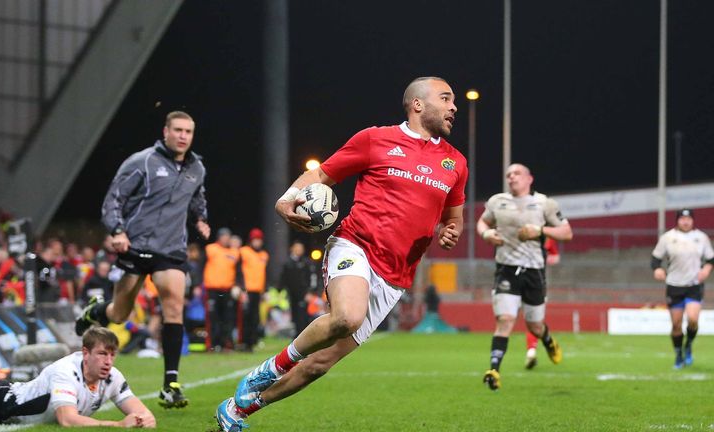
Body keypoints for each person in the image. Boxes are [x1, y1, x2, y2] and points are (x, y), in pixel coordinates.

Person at [216, 76, 468, 431]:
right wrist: (285, 199)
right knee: (348, 316)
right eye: (446, 98)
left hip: (396, 276)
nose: (454, 106)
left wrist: (450, 232)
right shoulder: (375, 140)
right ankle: (270, 368)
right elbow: (320, 173)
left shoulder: (455, 163)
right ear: (417, 104)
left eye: (454, 101)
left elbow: (453, 219)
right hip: (355, 245)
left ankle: (239, 410)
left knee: (319, 365)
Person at [75, 110, 211, 409]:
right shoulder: (142, 161)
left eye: (188, 131)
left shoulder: (196, 168)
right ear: (165, 131)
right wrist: (118, 230)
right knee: (120, 314)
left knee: (174, 306)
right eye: (177, 130)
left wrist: (201, 218)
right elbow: (113, 200)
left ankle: (170, 384)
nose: (182, 136)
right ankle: (96, 311)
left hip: (172, 249)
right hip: (135, 246)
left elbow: (197, 198)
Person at [476, 163, 573, 391]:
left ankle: (548, 340)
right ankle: (494, 370)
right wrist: (486, 233)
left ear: (530, 178)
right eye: (508, 174)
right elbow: (483, 221)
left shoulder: (545, 204)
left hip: (534, 271)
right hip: (506, 269)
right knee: (505, 320)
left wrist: (541, 231)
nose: (511, 177)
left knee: (534, 325)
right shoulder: (497, 201)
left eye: (517, 173)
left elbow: (567, 233)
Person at [0, 327, 155, 428]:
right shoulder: (66, 371)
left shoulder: (113, 377)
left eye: (112, 354)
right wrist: (118, 425)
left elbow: (146, 416)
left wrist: (142, 420)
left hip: (14, 416)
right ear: (85, 353)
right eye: (102, 354)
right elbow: (68, 420)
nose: (108, 361)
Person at [651, 208, 714, 369]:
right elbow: (655, 258)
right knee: (676, 325)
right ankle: (679, 353)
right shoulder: (668, 237)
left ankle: (689, 345)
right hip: (674, 285)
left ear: (693, 220)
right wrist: (657, 269)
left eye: (688, 219)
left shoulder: (701, 237)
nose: (685, 222)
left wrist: (706, 269)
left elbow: (710, 259)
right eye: (682, 219)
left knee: (693, 320)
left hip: (694, 285)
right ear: (677, 220)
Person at [524, 237, 560, 369]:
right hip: (528, 281)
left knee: (533, 320)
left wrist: (543, 257)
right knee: (533, 320)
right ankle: (532, 350)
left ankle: (531, 351)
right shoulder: (522, 231)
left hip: (534, 281)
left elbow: (555, 257)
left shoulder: (547, 235)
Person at [203, 227, 240, 351]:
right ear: (219, 237)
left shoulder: (234, 252)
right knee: (213, 318)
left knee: (228, 318)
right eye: (224, 236)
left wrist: (238, 285)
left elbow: (239, 271)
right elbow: (201, 266)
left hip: (227, 290)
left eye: (228, 237)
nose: (226, 239)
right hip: (212, 289)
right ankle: (212, 344)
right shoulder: (210, 249)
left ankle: (227, 344)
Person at [239, 228, 269, 351]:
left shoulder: (264, 255)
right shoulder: (243, 252)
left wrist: (265, 290)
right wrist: (241, 288)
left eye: (259, 240)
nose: (257, 242)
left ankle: (252, 342)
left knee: (255, 317)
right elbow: (238, 271)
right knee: (245, 317)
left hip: (258, 291)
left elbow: (264, 273)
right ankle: (244, 342)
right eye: (255, 240)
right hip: (246, 290)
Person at [279, 240, 314, 336]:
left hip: (303, 294)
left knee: (302, 317)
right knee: (295, 316)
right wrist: (280, 291)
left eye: (300, 248)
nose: (298, 250)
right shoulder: (287, 263)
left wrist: (310, 292)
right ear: (292, 249)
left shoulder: (306, 263)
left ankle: (301, 337)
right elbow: (283, 278)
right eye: (296, 248)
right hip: (292, 294)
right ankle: (298, 338)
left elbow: (311, 278)